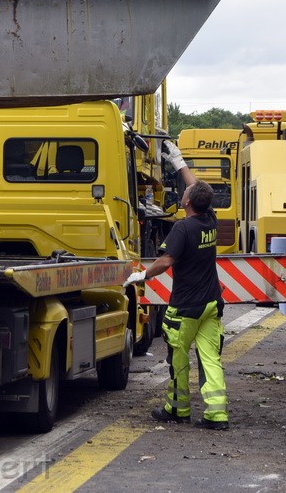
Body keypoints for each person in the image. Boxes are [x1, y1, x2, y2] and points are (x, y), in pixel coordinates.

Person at [124, 140, 229, 430]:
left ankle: (178, 409)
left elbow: (167, 261)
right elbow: (198, 189)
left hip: (185, 308)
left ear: (186, 202)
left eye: (185, 193)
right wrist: (179, 163)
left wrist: (142, 275)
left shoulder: (184, 228)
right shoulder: (209, 219)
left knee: (179, 359)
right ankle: (216, 415)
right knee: (210, 359)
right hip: (210, 304)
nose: (184, 192)